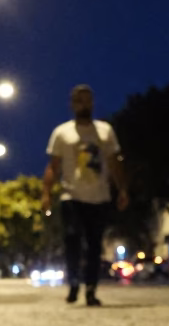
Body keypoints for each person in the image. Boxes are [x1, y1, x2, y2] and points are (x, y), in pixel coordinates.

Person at [41, 84, 129, 306]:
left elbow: (114, 162)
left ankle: (91, 288)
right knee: (71, 238)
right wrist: (46, 194)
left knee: (94, 244)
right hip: (71, 195)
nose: (84, 104)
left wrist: (122, 189)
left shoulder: (105, 131)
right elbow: (53, 166)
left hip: (99, 196)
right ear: (72, 104)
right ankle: (73, 282)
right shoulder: (62, 133)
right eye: (79, 100)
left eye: (88, 100)